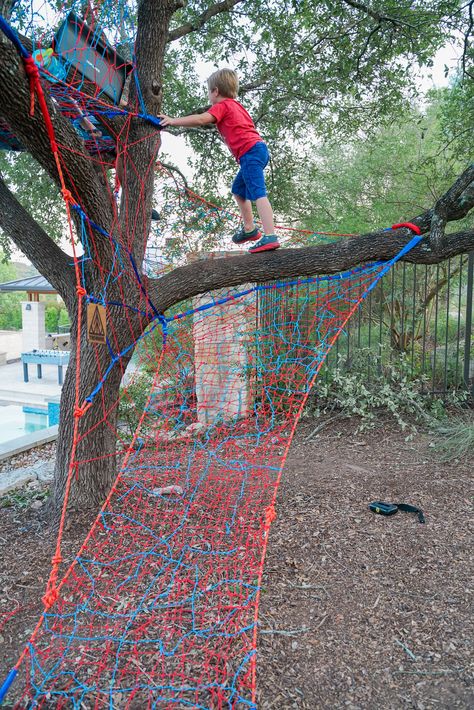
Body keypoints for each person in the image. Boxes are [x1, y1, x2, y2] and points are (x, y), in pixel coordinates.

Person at [158, 68, 280, 254]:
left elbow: (201, 119)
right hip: (257, 150)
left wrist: (172, 121)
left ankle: (270, 236)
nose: (208, 96)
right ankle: (250, 229)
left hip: (250, 152)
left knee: (258, 193)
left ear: (215, 91)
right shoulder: (237, 106)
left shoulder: (222, 106)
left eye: (208, 91)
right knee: (238, 190)